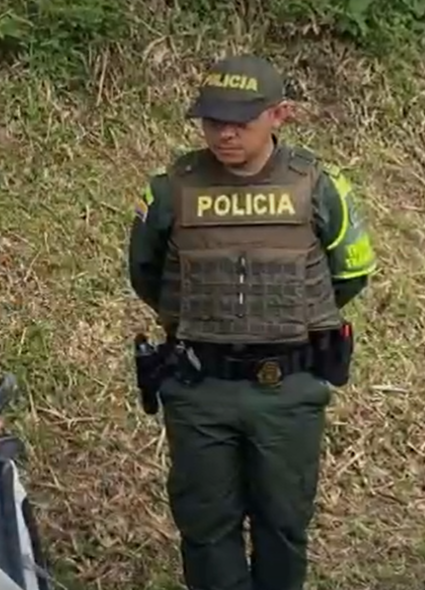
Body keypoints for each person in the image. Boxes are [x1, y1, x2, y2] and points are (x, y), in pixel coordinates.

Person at [127, 54, 377, 590]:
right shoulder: (171, 188)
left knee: (284, 523)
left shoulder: (319, 186)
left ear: (279, 115)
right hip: (200, 388)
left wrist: (285, 320)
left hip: (288, 389)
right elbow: (145, 273)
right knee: (205, 525)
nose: (224, 132)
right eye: (213, 120)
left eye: (240, 120)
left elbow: (351, 272)